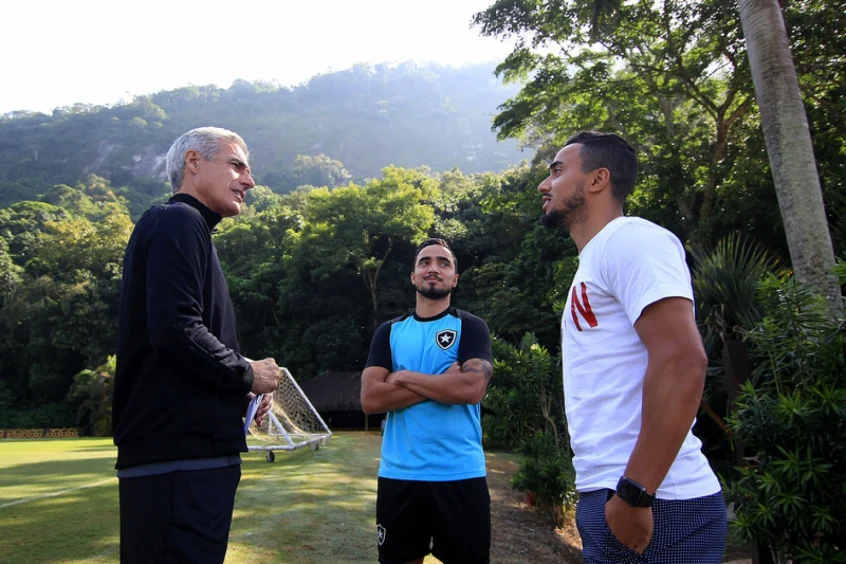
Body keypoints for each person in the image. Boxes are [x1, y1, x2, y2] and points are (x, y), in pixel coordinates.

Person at [537, 131, 726, 563]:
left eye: (558, 171)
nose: (544, 185)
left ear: (598, 179)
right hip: (616, 492)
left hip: (658, 502)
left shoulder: (631, 239)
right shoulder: (596, 259)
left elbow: (682, 359)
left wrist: (636, 490)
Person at [112, 126, 282, 564]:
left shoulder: (191, 231)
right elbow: (176, 330)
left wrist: (238, 387)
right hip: (178, 461)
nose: (249, 180)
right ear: (193, 162)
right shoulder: (178, 220)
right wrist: (249, 372)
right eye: (237, 165)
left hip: (191, 458)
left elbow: (180, 338)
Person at [360, 238, 494, 564]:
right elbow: (371, 399)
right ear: (413, 276)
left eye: (443, 263)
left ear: (455, 279)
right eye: (425, 262)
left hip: (460, 473)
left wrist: (402, 377)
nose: (433, 268)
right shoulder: (389, 332)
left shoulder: (471, 326)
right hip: (400, 474)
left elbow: (473, 388)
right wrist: (444, 382)